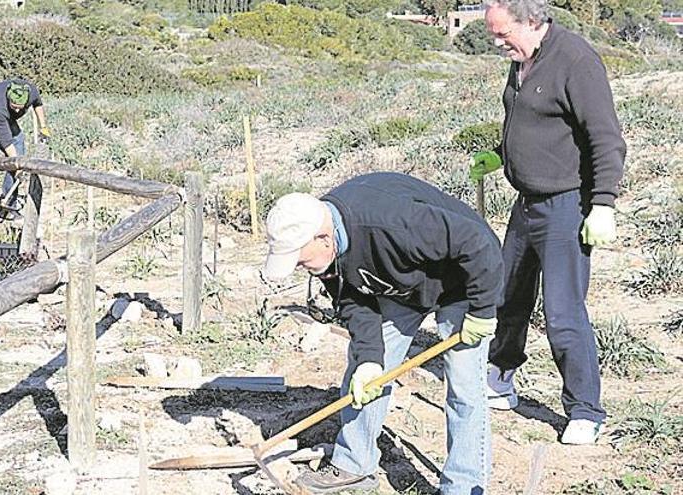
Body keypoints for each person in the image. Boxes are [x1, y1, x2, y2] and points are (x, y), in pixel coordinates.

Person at [263, 172, 503, 495]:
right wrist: (370, 359)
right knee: (365, 374)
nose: (301, 267)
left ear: (323, 238)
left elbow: (477, 242)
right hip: (405, 287)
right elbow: (353, 301)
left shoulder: (392, 222)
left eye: (301, 260)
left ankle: (463, 485)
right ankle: (354, 464)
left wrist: (483, 311)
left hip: (461, 281)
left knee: (464, 384)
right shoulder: (327, 248)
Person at [470, 0, 626, 445]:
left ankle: (585, 410)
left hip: (566, 205)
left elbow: (605, 138)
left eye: (503, 34)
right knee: (507, 294)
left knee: (561, 311)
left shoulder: (576, 61)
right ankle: (500, 376)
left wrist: (603, 204)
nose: (497, 43)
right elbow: (534, 125)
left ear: (533, 22)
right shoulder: (523, 59)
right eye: (492, 34)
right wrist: (502, 157)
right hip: (527, 202)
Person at [0, 78, 50, 223]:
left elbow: (38, 104)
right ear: (8, 98)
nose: (18, 110)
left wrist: (43, 127)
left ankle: (8, 207)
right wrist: (17, 166)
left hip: (8, 121)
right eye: (14, 106)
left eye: (20, 107)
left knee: (18, 154)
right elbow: (6, 142)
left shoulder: (31, 91)